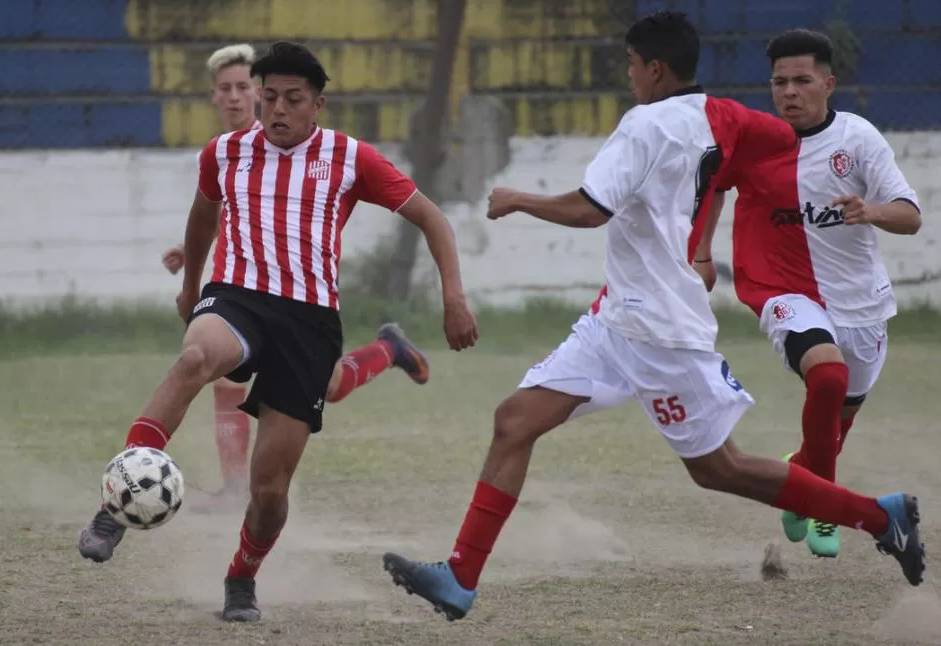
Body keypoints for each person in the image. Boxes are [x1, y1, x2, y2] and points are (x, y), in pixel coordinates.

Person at [380, 11, 925, 622]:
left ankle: (882, 517)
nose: (630, 77)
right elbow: (783, 145)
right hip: (617, 318)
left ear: (656, 69)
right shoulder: (723, 115)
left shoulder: (643, 125)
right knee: (514, 421)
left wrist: (519, 200)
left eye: (633, 66)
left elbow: (592, 210)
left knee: (721, 469)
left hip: (661, 327)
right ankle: (459, 577)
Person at [78, 41, 479, 623]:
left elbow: (431, 217)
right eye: (269, 98)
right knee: (194, 360)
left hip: (309, 323)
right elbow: (202, 215)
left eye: (293, 99)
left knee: (269, 492)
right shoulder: (225, 153)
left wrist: (454, 297)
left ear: (318, 103)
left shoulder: (350, 157)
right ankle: (114, 506)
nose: (277, 111)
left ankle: (241, 577)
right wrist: (192, 286)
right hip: (238, 298)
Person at [159, 44, 434, 514]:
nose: (235, 97)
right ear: (213, 98)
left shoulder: (296, 139)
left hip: (297, 296)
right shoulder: (227, 151)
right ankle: (234, 483)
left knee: (314, 384)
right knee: (222, 366)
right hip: (238, 292)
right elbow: (222, 214)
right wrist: (193, 256)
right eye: (224, 89)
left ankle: (387, 350)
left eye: (243, 87)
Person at [692, 29, 922, 559]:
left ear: (828, 83)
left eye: (801, 80)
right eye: (779, 82)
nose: (789, 92)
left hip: (861, 304)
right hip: (779, 288)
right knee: (827, 376)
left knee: (835, 426)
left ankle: (799, 481)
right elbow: (714, 186)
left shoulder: (858, 138)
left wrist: (872, 211)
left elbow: (910, 216)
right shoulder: (754, 139)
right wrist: (701, 255)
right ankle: (828, 507)